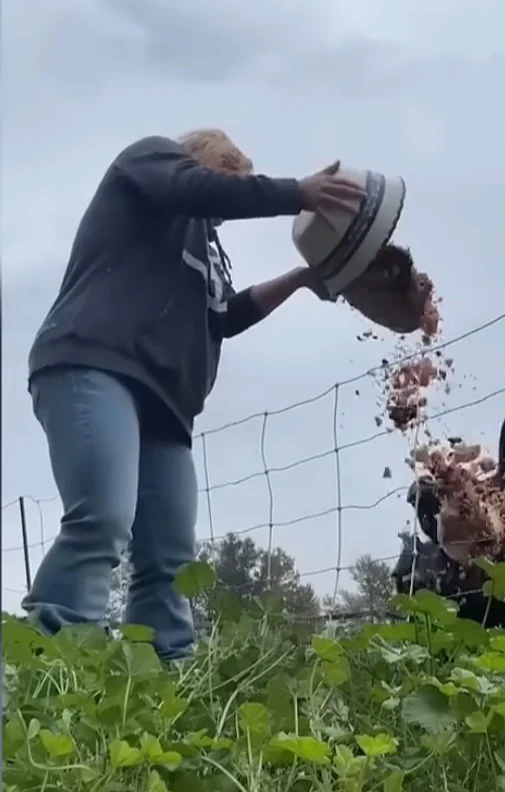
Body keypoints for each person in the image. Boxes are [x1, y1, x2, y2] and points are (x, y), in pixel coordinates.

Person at [22, 129, 366, 660]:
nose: (236, 204)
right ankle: (54, 661)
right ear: (215, 164)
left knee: (170, 559)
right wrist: (297, 192)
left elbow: (223, 316)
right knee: (103, 520)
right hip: (95, 362)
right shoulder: (148, 163)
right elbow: (199, 190)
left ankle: (166, 678)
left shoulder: (207, 248)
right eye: (239, 184)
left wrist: (299, 278)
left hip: (166, 404)